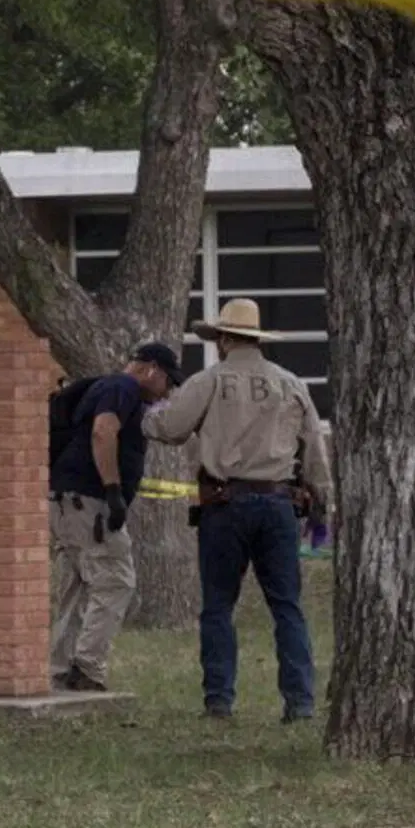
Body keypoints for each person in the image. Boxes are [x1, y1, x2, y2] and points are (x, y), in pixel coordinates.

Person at [143, 298, 332, 723]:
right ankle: (300, 702)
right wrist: (321, 505)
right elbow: (315, 452)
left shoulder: (208, 381)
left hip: (225, 505)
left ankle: (219, 701)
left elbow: (170, 427)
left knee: (218, 605)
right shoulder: (290, 383)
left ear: (224, 339)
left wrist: (146, 413)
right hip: (279, 504)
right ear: (257, 339)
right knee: (287, 607)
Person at [47, 342, 183, 693]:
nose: (167, 392)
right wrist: (112, 490)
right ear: (151, 369)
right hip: (90, 502)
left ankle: (61, 667)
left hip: (67, 499)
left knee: (77, 585)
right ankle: (88, 666)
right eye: (168, 382)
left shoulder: (105, 386)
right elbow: (103, 431)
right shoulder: (123, 387)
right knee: (117, 580)